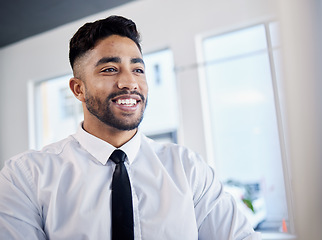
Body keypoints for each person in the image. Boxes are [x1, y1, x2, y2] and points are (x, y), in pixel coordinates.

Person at [0, 15, 261, 239]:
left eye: (138, 70)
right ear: (78, 89)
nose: (129, 83)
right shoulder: (26, 177)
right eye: (110, 69)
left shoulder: (188, 170)